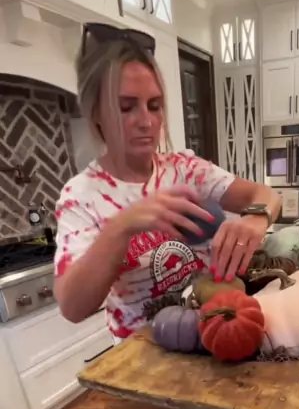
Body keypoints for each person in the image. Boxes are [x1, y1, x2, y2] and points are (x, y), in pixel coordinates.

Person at [54, 23, 281, 341]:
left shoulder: (184, 169)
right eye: (126, 107)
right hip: (145, 355)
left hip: (213, 336)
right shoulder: (82, 196)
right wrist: (123, 226)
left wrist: (256, 218)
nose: (146, 121)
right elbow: (72, 308)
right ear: (96, 113)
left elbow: (266, 194)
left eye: (154, 105)